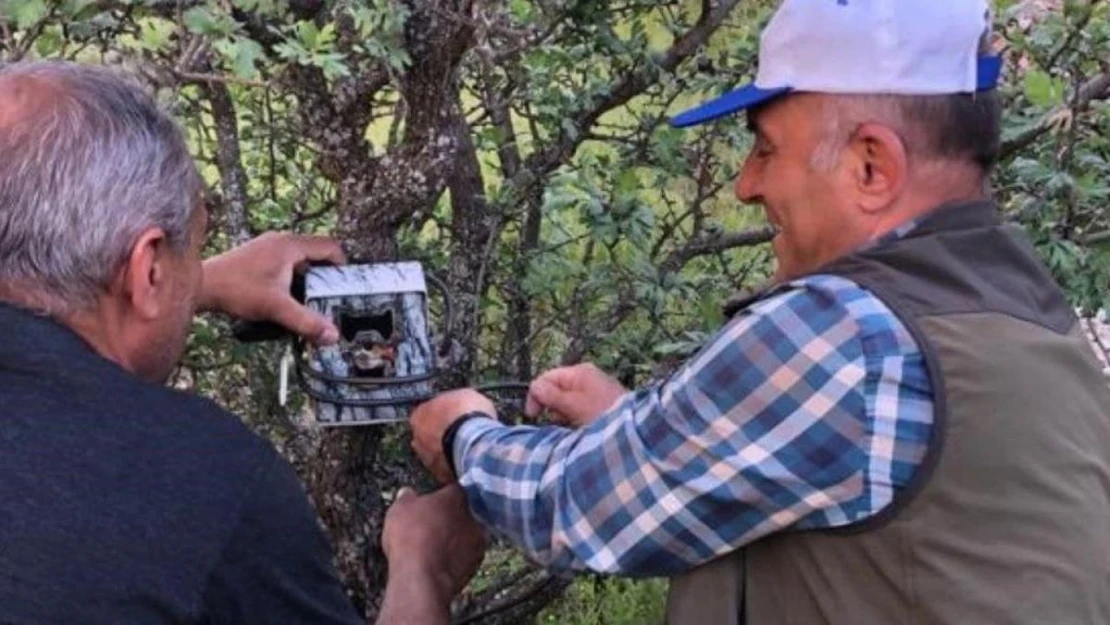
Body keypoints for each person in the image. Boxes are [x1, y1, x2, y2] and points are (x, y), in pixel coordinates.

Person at [409, 0, 1110, 623]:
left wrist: (463, 434)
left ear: (872, 166)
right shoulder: (1026, 309)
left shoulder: (850, 333)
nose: (745, 184)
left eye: (766, 148)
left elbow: (572, 506)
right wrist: (638, 427)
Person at [0, 61, 484, 624]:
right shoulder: (202, 484)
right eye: (190, 251)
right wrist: (424, 570)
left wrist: (194, 283)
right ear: (148, 269)